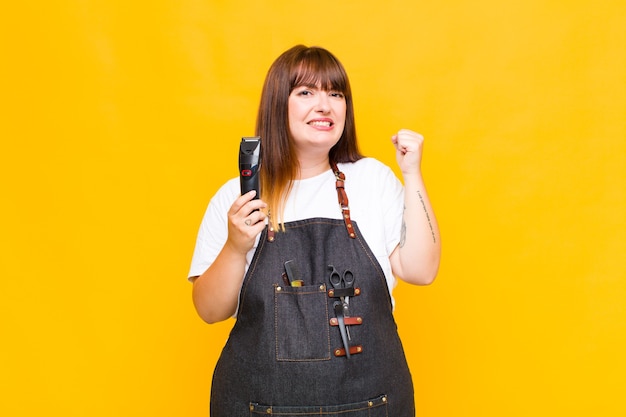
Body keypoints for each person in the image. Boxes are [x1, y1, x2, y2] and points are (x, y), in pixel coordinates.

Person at [188, 45, 441, 417]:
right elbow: (209, 311)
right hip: (258, 406)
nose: (325, 105)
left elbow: (421, 270)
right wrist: (235, 246)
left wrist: (413, 173)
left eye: (335, 93)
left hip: (371, 405)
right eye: (306, 92)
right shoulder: (239, 195)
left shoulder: (372, 181)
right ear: (278, 104)